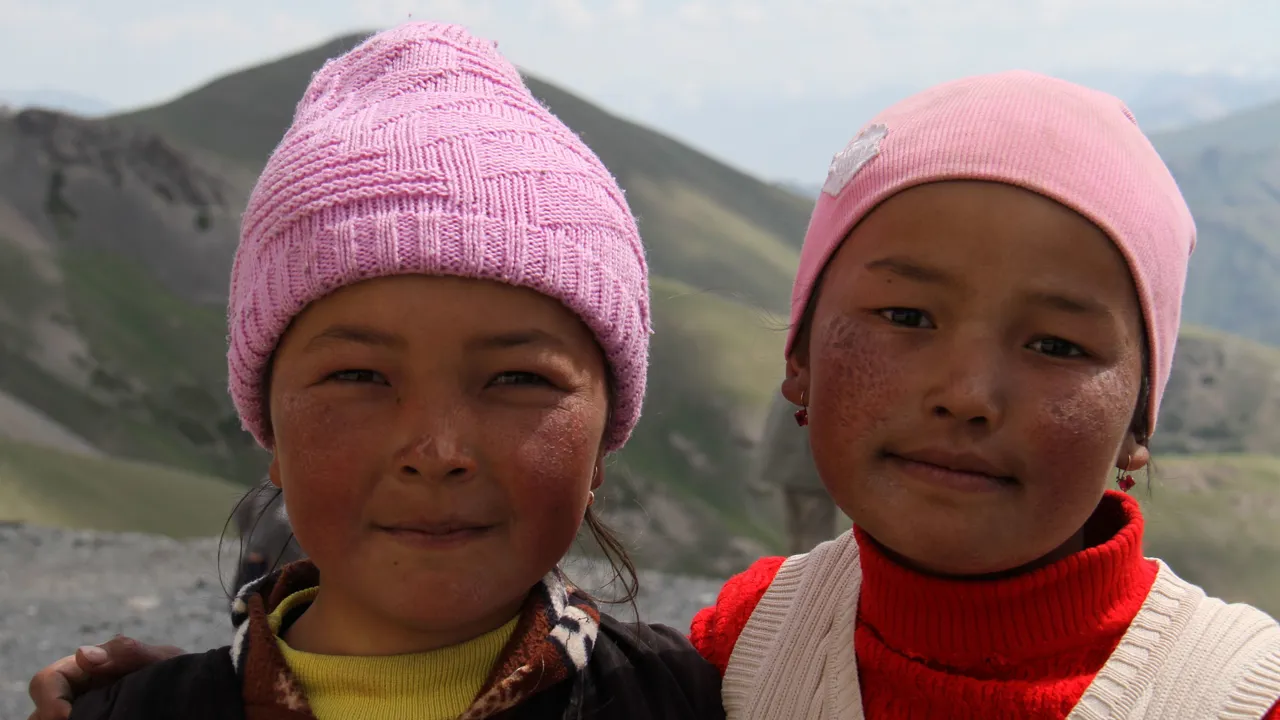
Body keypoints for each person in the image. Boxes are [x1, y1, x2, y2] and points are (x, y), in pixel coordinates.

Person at [29, 22, 724, 720]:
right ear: (267, 423)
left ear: (606, 436)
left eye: (519, 379)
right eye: (359, 377)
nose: (437, 454)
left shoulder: (702, 699)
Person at [687, 72, 1280, 719]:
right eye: (907, 317)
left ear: (1139, 422)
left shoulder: (1243, 699)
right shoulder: (743, 649)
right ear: (800, 357)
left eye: (1055, 346)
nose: (966, 394)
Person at [752, 390, 843, 554]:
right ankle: (814, 577)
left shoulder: (792, 384)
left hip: (787, 469)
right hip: (811, 474)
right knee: (817, 537)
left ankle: (798, 576)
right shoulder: (816, 388)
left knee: (796, 535)